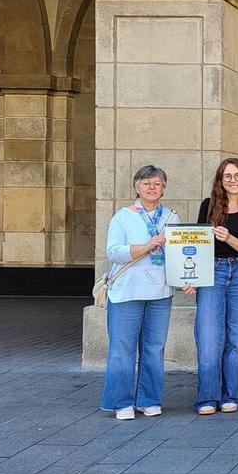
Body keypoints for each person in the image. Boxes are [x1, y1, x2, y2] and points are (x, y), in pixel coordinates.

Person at [100, 165, 184, 420]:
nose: (151, 187)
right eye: (146, 183)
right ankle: (121, 402)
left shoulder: (171, 217)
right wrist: (147, 246)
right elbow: (113, 252)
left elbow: (177, 256)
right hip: (127, 292)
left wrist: (185, 280)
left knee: (154, 348)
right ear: (137, 187)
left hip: (160, 293)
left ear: (163, 188)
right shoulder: (123, 217)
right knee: (122, 348)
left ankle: (149, 399)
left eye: (157, 183)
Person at [194, 158, 238, 415]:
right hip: (212, 271)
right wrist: (192, 277)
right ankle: (207, 397)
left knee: (237, 337)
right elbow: (197, 244)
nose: (233, 181)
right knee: (209, 336)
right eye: (227, 176)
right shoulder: (208, 206)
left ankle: (231, 395)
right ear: (220, 180)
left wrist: (229, 237)